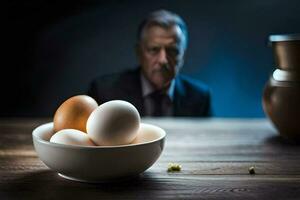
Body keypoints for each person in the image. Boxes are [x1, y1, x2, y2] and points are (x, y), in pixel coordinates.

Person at [88, 9, 211, 117]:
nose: (163, 60)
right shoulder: (105, 92)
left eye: (173, 51)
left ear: (183, 55)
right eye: (154, 50)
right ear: (139, 52)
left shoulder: (200, 97)